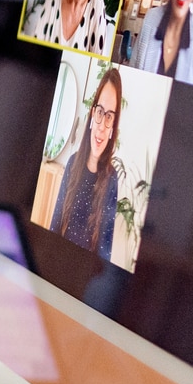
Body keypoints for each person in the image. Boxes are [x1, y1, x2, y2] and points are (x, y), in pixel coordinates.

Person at [52, 68, 123, 264]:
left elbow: (104, 252)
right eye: (100, 112)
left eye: (109, 117)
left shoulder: (112, 179)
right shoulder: (72, 163)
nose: (101, 125)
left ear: (113, 125)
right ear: (93, 114)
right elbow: (54, 226)